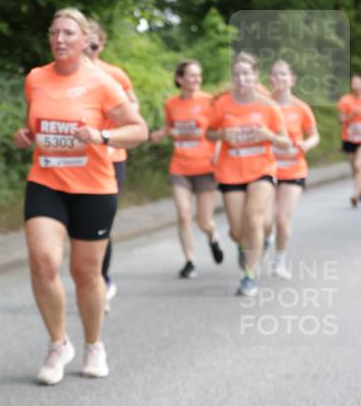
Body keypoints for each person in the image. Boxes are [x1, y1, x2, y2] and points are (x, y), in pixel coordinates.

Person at [14, 8, 148, 384]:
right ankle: (58, 344)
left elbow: (138, 130)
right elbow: (33, 124)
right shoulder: (36, 78)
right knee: (43, 262)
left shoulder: (103, 82)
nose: (59, 40)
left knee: (86, 273)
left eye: (68, 33)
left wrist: (102, 136)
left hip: (93, 188)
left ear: (85, 39)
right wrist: (25, 136)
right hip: (46, 181)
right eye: (54, 32)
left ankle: (93, 345)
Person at [205, 53, 290, 297]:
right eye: (237, 74)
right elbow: (209, 133)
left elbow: (285, 142)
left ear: (255, 75)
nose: (241, 79)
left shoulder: (269, 106)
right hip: (230, 171)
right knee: (236, 230)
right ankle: (251, 246)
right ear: (232, 77)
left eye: (246, 74)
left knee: (254, 220)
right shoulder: (222, 104)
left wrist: (269, 136)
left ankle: (249, 275)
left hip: (261, 169)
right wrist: (222, 136)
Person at [150, 59, 223, 279]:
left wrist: (218, 154)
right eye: (191, 75)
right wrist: (160, 134)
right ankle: (189, 261)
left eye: (198, 75)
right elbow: (170, 126)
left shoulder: (209, 101)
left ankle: (212, 236)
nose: (196, 79)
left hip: (205, 166)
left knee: (203, 221)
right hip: (180, 166)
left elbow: (219, 131)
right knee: (183, 214)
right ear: (180, 79)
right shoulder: (171, 103)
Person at [85, 19, 138, 310]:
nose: (90, 47)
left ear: (102, 44)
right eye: (86, 41)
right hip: (79, 160)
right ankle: (91, 279)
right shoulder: (67, 75)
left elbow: (134, 110)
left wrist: (115, 128)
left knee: (101, 221)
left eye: (95, 43)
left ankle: (102, 280)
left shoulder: (114, 74)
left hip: (112, 158)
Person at [264, 60, 319, 278]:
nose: (280, 78)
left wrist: (307, 144)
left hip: (294, 170)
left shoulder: (301, 108)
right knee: (265, 221)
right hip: (267, 170)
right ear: (270, 79)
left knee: (282, 219)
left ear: (292, 79)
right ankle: (267, 237)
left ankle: (279, 262)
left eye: (284, 74)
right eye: (276, 74)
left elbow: (314, 135)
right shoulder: (264, 105)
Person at [337, 75, 361, 207]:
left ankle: (355, 195)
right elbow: (340, 120)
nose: (357, 86)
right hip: (349, 138)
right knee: (354, 169)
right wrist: (351, 115)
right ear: (351, 86)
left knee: (359, 165)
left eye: (359, 83)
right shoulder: (345, 100)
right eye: (354, 83)